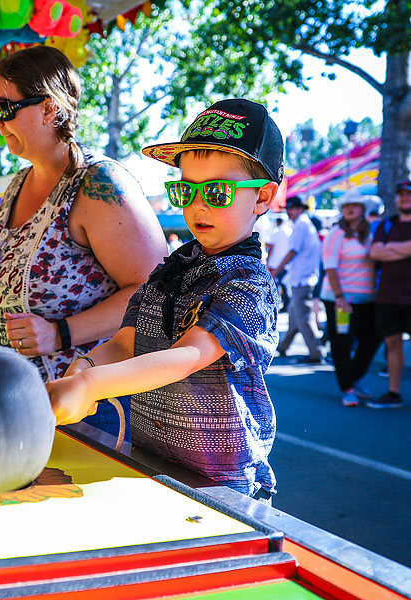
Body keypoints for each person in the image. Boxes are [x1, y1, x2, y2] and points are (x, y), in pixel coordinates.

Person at [46, 98, 283, 502]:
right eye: (185, 190)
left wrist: (90, 385)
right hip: (148, 462)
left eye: (218, 192)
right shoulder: (174, 266)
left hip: (223, 486)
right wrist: (81, 366)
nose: (197, 205)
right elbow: (126, 342)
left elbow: (186, 357)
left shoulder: (249, 282)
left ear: (262, 199)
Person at [0, 45, 166, 386]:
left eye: (4, 108)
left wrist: (61, 333)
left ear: (48, 108)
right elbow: (11, 292)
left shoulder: (98, 183)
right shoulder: (18, 182)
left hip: (88, 405)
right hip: (19, 398)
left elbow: (155, 291)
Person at [319, 191, 382, 407]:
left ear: (363, 209)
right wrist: (340, 297)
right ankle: (348, 388)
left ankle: (353, 379)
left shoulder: (369, 232)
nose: (350, 209)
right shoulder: (337, 232)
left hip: (367, 299)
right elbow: (330, 267)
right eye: (346, 206)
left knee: (373, 337)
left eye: (354, 205)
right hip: (341, 300)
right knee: (342, 343)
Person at [368, 178, 411, 408]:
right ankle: (393, 393)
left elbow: (383, 251)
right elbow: (375, 252)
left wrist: (390, 249)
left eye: (408, 194)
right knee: (392, 345)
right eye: (401, 194)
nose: (405, 198)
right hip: (388, 296)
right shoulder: (387, 225)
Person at [271, 196, 324, 363]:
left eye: (292, 208)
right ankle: (284, 346)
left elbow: (292, 251)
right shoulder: (304, 224)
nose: (289, 212)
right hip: (303, 277)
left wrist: (276, 270)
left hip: (303, 278)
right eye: (288, 209)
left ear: (300, 209)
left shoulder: (301, 225)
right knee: (296, 315)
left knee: (304, 317)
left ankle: (316, 352)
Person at [262, 217, 292, 312]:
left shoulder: (276, 232)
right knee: (285, 284)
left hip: (275, 262)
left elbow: (271, 247)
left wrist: (268, 259)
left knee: (274, 285)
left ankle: (276, 303)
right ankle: (287, 303)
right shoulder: (290, 231)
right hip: (286, 262)